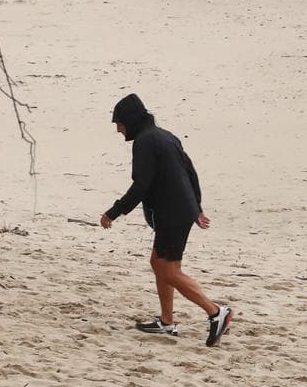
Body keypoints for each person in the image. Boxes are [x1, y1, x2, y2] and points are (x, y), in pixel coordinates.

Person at [99, 93, 233, 346]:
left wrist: (113, 212)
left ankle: (216, 312)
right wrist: (196, 208)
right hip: (180, 211)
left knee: (169, 271)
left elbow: (141, 186)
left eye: (119, 123)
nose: (118, 129)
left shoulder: (145, 142)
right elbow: (190, 171)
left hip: (172, 213)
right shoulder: (165, 136)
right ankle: (167, 321)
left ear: (130, 120)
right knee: (159, 264)